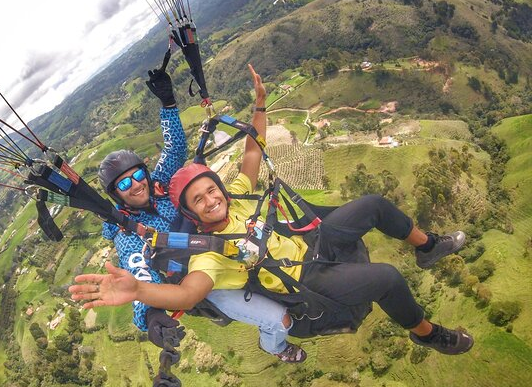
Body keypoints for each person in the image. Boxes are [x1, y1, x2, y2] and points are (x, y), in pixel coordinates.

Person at [72, 64, 473, 357]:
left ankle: (429, 247)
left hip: (309, 240)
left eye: (213, 191)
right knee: (386, 278)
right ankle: (426, 333)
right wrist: (143, 301)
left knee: (373, 205)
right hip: (302, 277)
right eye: (123, 185)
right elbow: (185, 290)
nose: (212, 199)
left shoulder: (220, 192)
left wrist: (258, 108)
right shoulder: (200, 248)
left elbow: (248, 156)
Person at [98, 57, 298, 361]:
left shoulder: (161, 183)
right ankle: (276, 347)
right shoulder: (128, 235)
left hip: (224, 239)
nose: (136, 185)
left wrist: (167, 104)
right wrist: (151, 318)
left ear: (146, 172)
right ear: (116, 196)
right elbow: (139, 272)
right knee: (276, 318)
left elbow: (175, 148)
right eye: (124, 185)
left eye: (138, 175)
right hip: (202, 277)